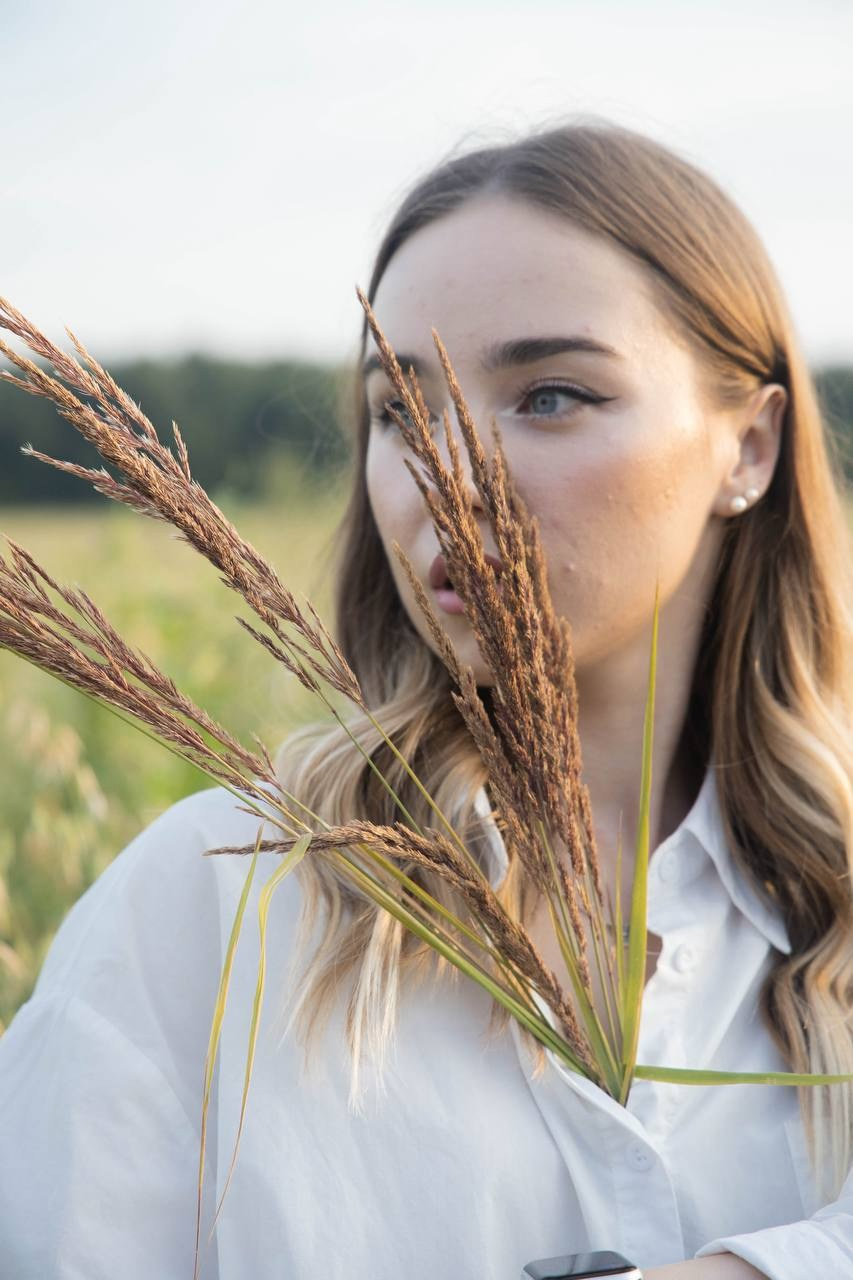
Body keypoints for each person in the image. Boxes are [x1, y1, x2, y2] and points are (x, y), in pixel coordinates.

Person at [0, 116, 851, 1280]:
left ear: (747, 449)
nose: (452, 479)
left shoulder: (833, 899)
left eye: (550, 395)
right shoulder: (206, 909)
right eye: (400, 412)